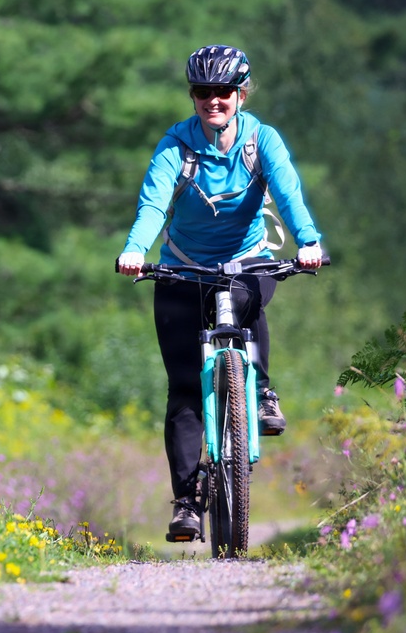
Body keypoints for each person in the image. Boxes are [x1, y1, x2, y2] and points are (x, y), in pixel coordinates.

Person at [116, 45, 324, 538]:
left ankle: (262, 390)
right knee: (186, 389)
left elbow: (288, 190)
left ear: (241, 94)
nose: (214, 101)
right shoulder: (175, 145)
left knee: (248, 295)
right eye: (203, 92)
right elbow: (152, 203)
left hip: (248, 258)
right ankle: (187, 503)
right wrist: (133, 249)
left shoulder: (261, 140)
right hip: (183, 269)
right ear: (193, 96)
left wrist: (309, 241)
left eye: (223, 92)